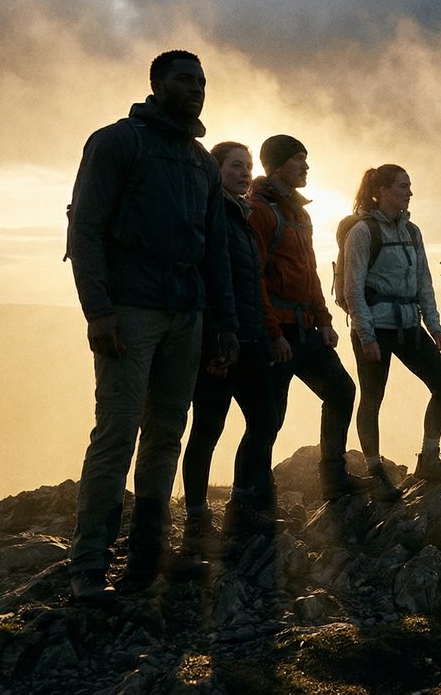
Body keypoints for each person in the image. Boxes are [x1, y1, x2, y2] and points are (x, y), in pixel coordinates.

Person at [65, 49, 239, 604]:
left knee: (166, 435)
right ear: (156, 85)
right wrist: (98, 311)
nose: (197, 89)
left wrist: (223, 325)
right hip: (130, 311)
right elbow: (85, 229)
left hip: (186, 315)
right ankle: (89, 566)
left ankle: (147, 558)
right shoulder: (116, 143)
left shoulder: (201, 163)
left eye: (203, 82)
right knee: (116, 434)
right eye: (185, 80)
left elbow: (215, 253)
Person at [247, 135, 365, 500]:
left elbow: (311, 272)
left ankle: (332, 475)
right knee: (269, 417)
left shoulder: (300, 214)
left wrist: (325, 320)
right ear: (279, 164)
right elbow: (255, 279)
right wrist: (272, 334)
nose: (306, 166)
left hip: (304, 327)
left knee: (341, 390)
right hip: (277, 330)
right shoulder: (260, 211)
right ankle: (255, 493)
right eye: (300, 159)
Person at [179, 141, 280, 566]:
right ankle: (197, 518)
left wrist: (263, 331)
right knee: (208, 426)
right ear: (215, 169)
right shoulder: (212, 211)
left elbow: (248, 279)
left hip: (250, 337)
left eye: (249, 166)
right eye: (235, 166)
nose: (245, 172)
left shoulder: (242, 214)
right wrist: (220, 334)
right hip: (220, 341)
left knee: (265, 417)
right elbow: (211, 276)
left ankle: (240, 502)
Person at [342, 165, 441, 494]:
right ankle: (375, 469)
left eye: (409, 186)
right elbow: (353, 289)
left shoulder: (413, 232)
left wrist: (434, 327)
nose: (409, 192)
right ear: (381, 190)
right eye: (403, 186)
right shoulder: (363, 232)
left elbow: (424, 281)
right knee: (373, 398)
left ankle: (429, 458)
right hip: (375, 327)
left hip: (408, 324)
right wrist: (366, 336)